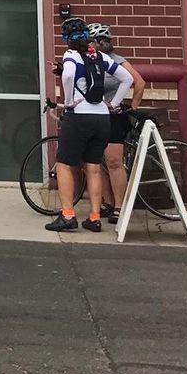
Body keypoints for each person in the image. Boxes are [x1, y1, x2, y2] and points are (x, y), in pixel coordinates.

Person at [45, 17, 133, 234]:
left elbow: (68, 75)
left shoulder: (71, 55)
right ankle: (94, 218)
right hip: (102, 117)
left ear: (67, 39)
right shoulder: (100, 56)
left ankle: (68, 215)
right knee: (93, 167)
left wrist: (68, 101)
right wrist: (114, 104)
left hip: (79, 116)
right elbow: (127, 79)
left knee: (64, 165)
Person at [90, 23, 145, 220]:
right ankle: (107, 202)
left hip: (115, 116)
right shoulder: (91, 60)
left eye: (92, 42)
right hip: (96, 114)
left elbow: (139, 82)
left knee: (113, 161)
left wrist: (133, 107)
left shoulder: (117, 61)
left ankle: (120, 206)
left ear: (100, 42)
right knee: (98, 162)